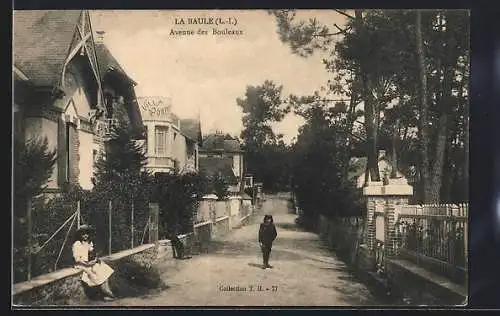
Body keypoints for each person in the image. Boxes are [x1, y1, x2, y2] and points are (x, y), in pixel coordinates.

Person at [72, 225, 115, 301]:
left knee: (103, 268)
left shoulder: (89, 242)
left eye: (87, 233)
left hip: (89, 263)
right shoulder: (77, 244)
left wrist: (95, 259)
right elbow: (77, 259)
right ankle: (107, 293)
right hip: (81, 264)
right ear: (80, 235)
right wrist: (87, 264)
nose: (85, 235)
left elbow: (92, 254)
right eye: (83, 234)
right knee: (96, 273)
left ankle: (107, 292)